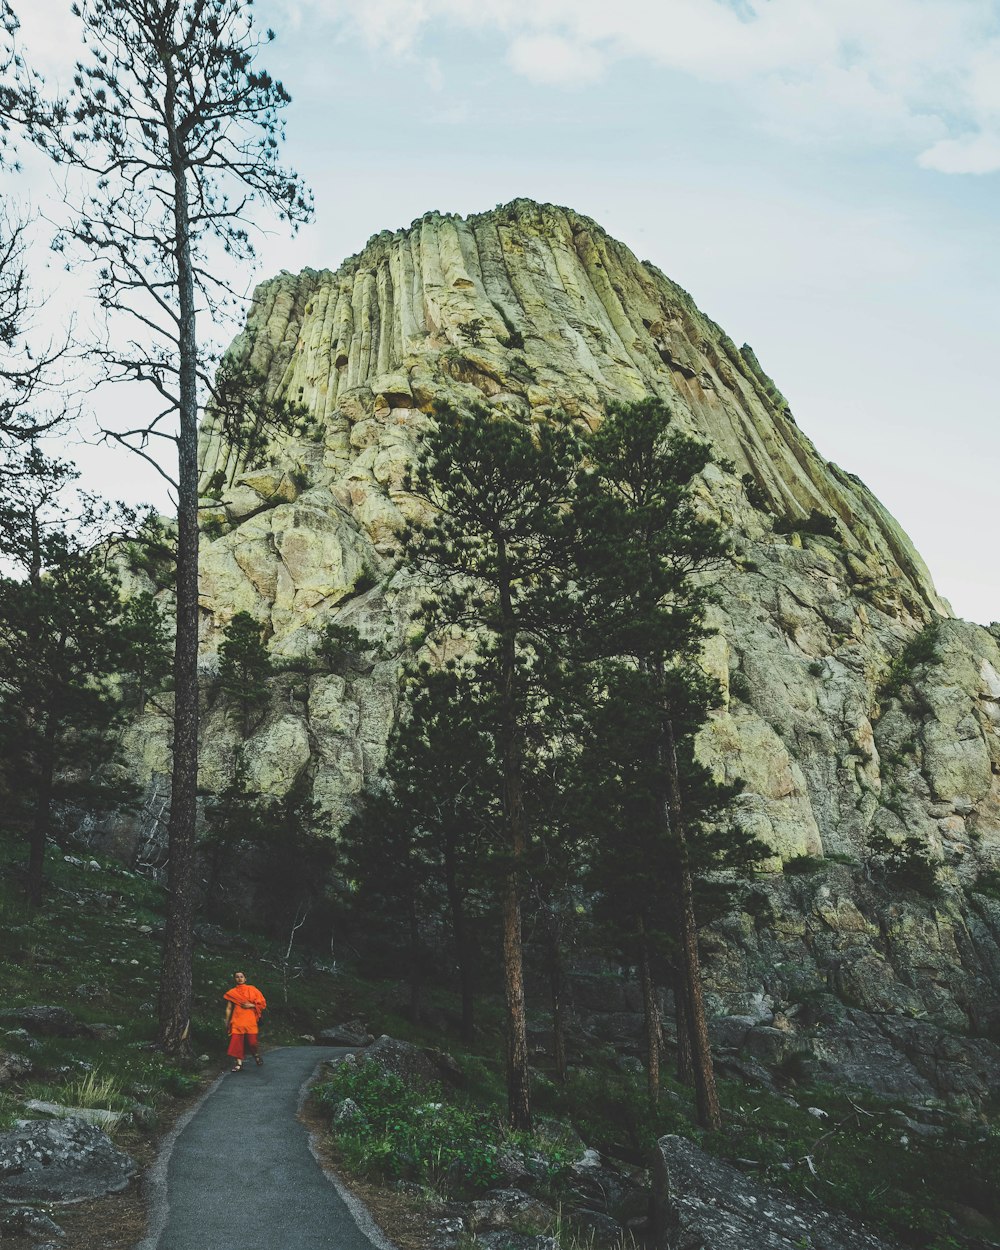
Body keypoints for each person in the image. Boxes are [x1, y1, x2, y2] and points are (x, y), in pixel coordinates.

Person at [223, 970, 266, 1072]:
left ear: (245, 978)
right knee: (236, 1042)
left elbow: (262, 1004)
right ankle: (239, 1064)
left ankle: (256, 1055)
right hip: (237, 1020)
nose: (239, 978)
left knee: (252, 1043)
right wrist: (227, 1020)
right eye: (237, 977)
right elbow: (229, 1008)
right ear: (235, 979)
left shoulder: (253, 989)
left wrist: (252, 1005)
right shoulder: (232, 993)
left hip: (250, 1020)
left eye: (241, 976)